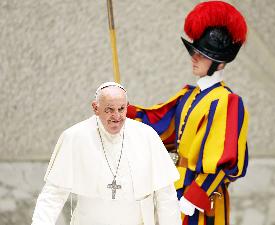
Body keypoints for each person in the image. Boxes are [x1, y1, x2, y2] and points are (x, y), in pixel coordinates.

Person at [126, 1, 249, 224]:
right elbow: (162, 125)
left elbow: (225, 159)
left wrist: (195, 196)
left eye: (201, 54)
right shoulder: (188, 95)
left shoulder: (227, 101)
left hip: (203, 197)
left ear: (219, 63)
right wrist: (124, 112)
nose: (194, 57)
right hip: (176, 187)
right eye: (194, 51)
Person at [31, 82, 181, 225]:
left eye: (121, 109)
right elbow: (53, 195)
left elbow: (166, 196)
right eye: (109, 109)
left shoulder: (146, 136)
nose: (116, 116)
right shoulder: (75, 137)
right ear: (95, 108)